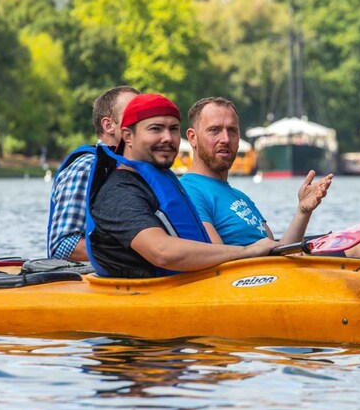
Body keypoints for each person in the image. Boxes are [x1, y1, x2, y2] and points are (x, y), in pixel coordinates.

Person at [87, 93, 279, 278]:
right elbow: (161, 251)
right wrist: (247, 251)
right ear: (128, 136)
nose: (168, 138)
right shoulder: (118, 193)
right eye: (155, 129)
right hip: (145, 297)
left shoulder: (161, 185)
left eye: (173, 129)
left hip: (187, 287)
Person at [179, 97, 334, 246]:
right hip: (244, 272)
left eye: (232, 131)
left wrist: (303, 211)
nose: (225, 139)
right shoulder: (188, 192)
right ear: (192, 138)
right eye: (214, 130)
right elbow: (215, 260)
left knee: (354, 244)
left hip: (272, 271)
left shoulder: (240, 196)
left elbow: (277, 253)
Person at [47, 86, 139, 261]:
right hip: (89, 281)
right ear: (108, 125)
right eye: (133, 115)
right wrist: (143, 254)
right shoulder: (86, 167)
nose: (142, 121)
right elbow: (63, 246)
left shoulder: (141, 168)